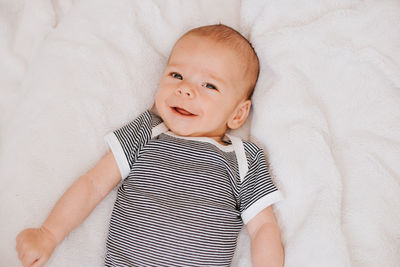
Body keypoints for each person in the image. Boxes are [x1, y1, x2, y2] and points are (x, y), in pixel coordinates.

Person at [16, 24, 284, 267]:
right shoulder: (147, 132)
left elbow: (263, 228)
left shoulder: (243, 158)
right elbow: (94, 184)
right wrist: (48, 234)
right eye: (177, 75)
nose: (186, 89)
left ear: (238, 114)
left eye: (209, 85)